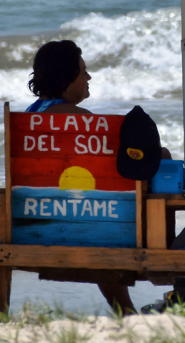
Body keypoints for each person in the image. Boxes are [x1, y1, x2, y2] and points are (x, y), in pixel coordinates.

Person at [25, 40, 138, 314]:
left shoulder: (28, 117)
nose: (88, 77)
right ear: (65, 78)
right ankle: (130, 309)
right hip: (83, 220)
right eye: (82, 72)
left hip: (37, 220)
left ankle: (126, 311)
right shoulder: (81, 121)